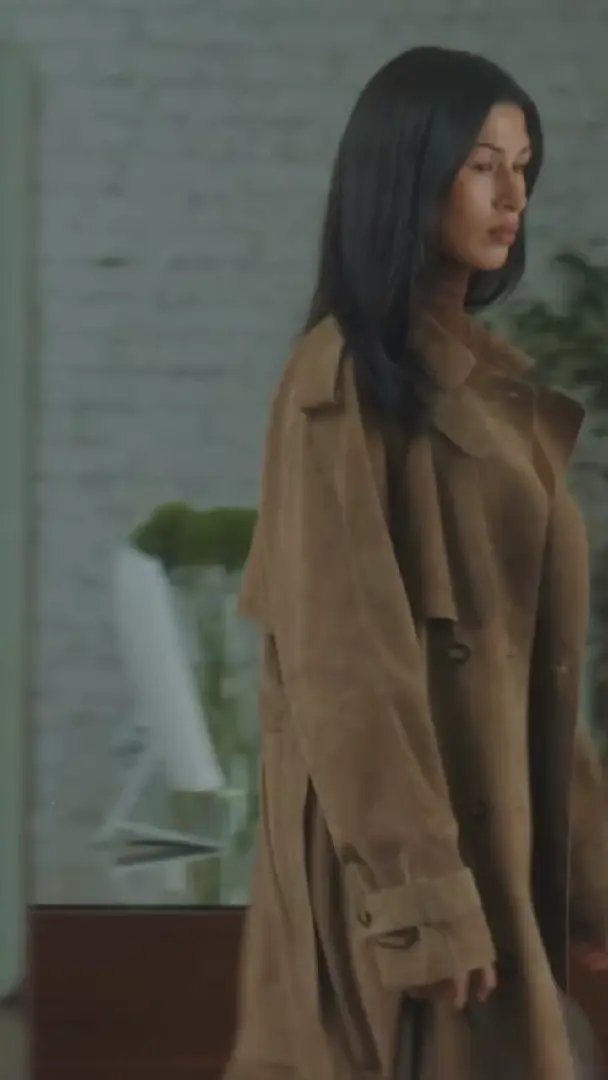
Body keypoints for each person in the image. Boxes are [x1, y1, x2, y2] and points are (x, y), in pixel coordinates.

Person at [225, 46, 608, 1080]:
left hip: (490, 839)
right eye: (482, 165)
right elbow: (345, 664)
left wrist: (588, 884)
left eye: (523, 166)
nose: (513, 196)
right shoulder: (342, 381)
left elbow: (537, 668)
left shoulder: (486, 389)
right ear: (407, 171)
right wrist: (419, 901)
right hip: (399, 863)